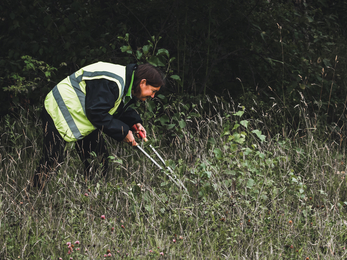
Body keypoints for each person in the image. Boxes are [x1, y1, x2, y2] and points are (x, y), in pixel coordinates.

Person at [32, 62, 164, 189]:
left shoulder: (125, 81)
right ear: (143, 83)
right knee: (53, 159)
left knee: (99, 159)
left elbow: (115, 106)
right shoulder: (113, 83)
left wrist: (134, 122)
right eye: (153, 91)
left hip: (81, 115)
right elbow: (97, 113)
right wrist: (123, 132)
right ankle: (34, 192)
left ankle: (89, 196)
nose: (152, 96)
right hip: (59, 109)